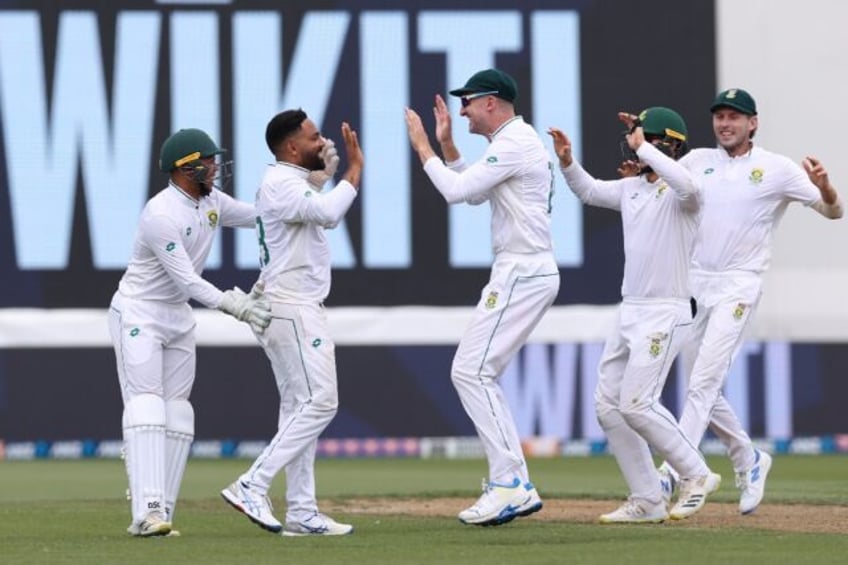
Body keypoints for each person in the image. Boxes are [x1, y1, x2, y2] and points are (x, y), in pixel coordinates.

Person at [661, 88, 844, 515]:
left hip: (740, 285)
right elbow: (656, 196)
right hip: (695, 283)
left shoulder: (776, 168)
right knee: (697, 385)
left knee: (704, 382)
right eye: (720, 116)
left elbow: (834, 213)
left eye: (734, 117)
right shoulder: (696, 162)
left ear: (753, 123)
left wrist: (826, 187)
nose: (725, 124)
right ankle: (749, 458)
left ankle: (677, 470)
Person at [548, 108, 720, 523]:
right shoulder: (633, 188)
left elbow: (688, 185)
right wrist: (569, 163)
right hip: (631, 310)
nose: (631, 142)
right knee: (609, 407)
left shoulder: (685, 193)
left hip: (668, 310)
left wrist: (646, 149)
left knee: (638, 403)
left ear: (666, 143)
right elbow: (589, 192)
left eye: (640, 136)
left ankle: (696, 473)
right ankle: (647, 499)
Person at [405, 68, 559, 526]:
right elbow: (473, 193)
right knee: (476, 372)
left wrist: (423, 147)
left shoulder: (514, 143)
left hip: (523, 270)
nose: (463, 109)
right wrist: (449, 145)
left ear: (492, 102)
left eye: (468, 102)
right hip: (522, 270)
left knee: (471, 371)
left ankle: (511, 483)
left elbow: (454, 193)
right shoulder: (510, 143)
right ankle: (510, 481)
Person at [108, 128, 272, 537]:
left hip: (177, 316)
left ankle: (161, 510)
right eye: (209, 161)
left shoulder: (211, 201)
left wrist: (309, 190)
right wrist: (234, 305)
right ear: (185, 168)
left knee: (178, 410)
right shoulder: (160, 214)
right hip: (139, 313)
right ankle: (144, 512)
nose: (216, 167)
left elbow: (260, 216)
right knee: (147, 405)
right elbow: (186, 280)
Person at [220, 109, 362, 536]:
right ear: (292, 147)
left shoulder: (287, 182)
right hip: (292, 305)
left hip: (288, 304)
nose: (323, 143)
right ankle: (252, 484)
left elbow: (308, 208)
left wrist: (319, 179)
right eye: (315, 137)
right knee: (322, 402)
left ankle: (301, 511)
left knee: (298, 408)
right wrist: (354, 171)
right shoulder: (280, 182)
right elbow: (328, 215)